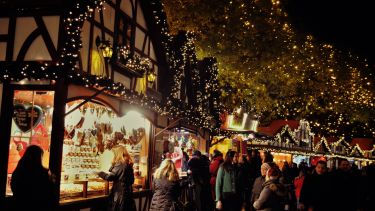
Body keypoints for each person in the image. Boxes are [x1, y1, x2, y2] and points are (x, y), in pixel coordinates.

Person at [11, 145, 55, 211]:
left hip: (20, 205)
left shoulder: (19, 169)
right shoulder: (42, 172)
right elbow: (48, 190)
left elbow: (14, 187)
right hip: (37, 206)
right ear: (39, 157)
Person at [98, 145, 135, 211]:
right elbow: (132, 180)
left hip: (120, 196)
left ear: (117, 153)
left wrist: (99, 173)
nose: (113, 155)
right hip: (127, 195)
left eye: (114, 153)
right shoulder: (128, 162)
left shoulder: (120, 163)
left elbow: (109, 177)